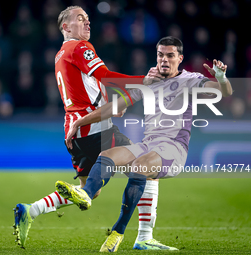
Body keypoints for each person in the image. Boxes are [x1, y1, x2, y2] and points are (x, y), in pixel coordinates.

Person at [56, 36, 233, 252]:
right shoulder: (151, 80)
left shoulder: (191, 79)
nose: (164, 60)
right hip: (149, 144)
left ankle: (117, 231)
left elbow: (224, 92)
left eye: (170, 55)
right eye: (160, 55)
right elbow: (114, 107)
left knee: (140, 166)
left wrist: (222, 78)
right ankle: (87, 194)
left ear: (180, 58)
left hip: (173, 148)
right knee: (108, 155)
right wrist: (80, 122)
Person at [12, 6, 150, 248]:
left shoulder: (61, 54)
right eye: (79, 19)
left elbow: (90, 86)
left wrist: (113, 102)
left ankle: (30, 210)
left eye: (87, 19)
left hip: (74, 133)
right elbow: (105, 75)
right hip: (93, 126)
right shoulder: (79, 47)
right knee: (141, 168)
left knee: (91, 190)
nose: (87, 23)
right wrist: (145, 81)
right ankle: (122, 234)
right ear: (65, 27)